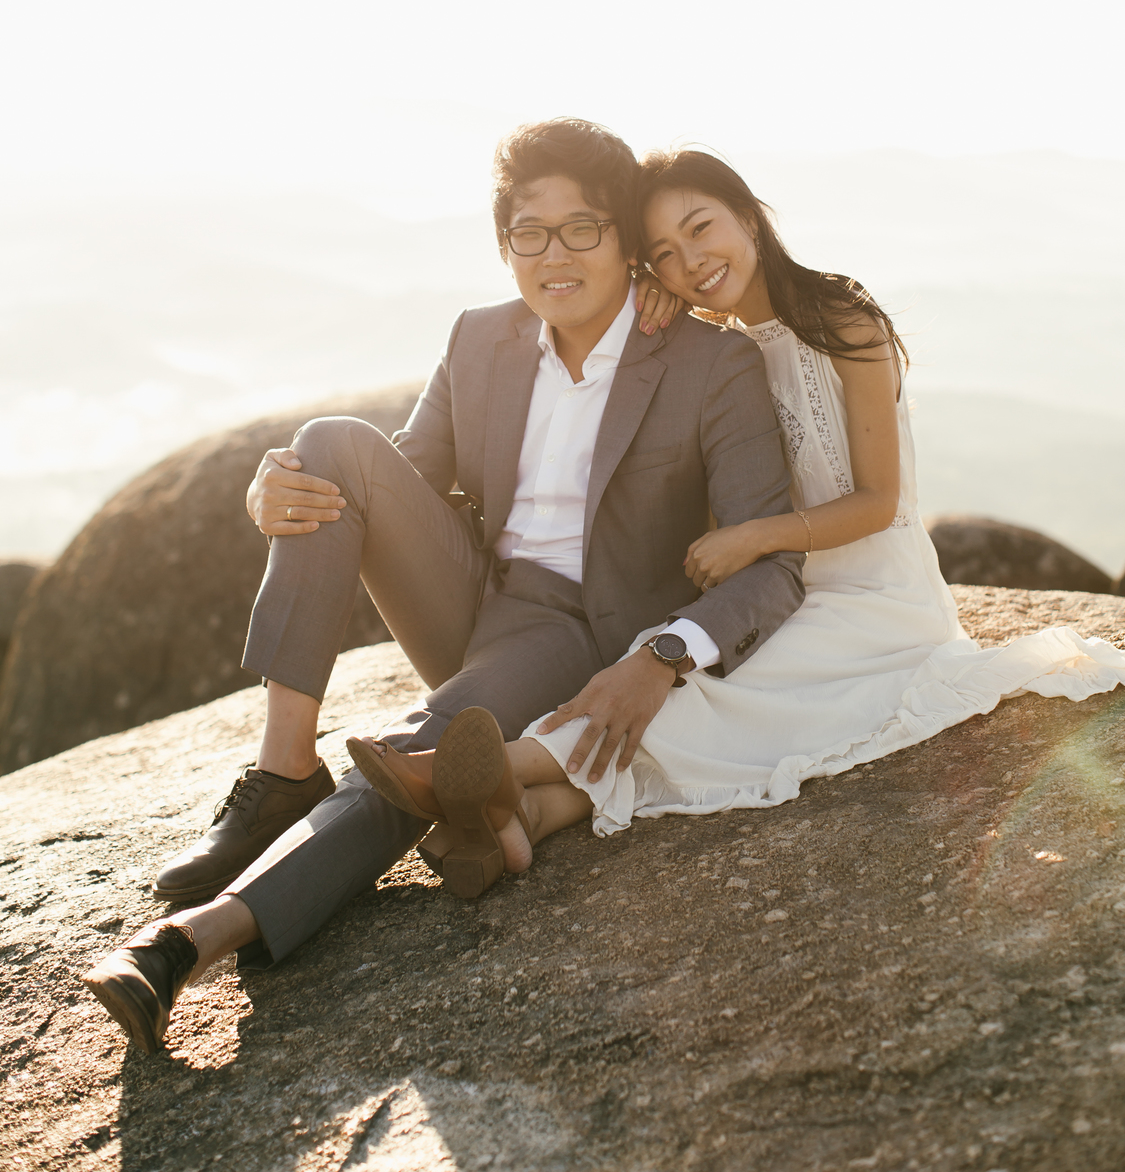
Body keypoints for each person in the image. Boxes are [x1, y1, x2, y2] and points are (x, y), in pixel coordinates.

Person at [82, 119, 807, 1053]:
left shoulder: (713, 363)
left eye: (582, 228)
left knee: (428, 746)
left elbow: (775, 567)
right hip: (478, 596)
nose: (555, 254)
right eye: (528, 232)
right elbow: (397, 478)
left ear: (626, 241)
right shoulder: (479, 339)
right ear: (504, 243)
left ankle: (193, 939)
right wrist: (276, 489)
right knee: (331, 442)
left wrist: (665, 655)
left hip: (580, 632)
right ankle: (283, 771)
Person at [359, 147, 1125, 865]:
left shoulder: (845, 319)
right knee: (684, 687)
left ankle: (492, 769)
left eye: (702, 229)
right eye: (665, 255)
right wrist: (646, 297)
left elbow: (881, 502)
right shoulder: (706, 345)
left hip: (873, 597)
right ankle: (525, 822)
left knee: (698, 696)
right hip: (779, 593)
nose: (693, 261)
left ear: (749, 215)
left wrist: (758, 538)